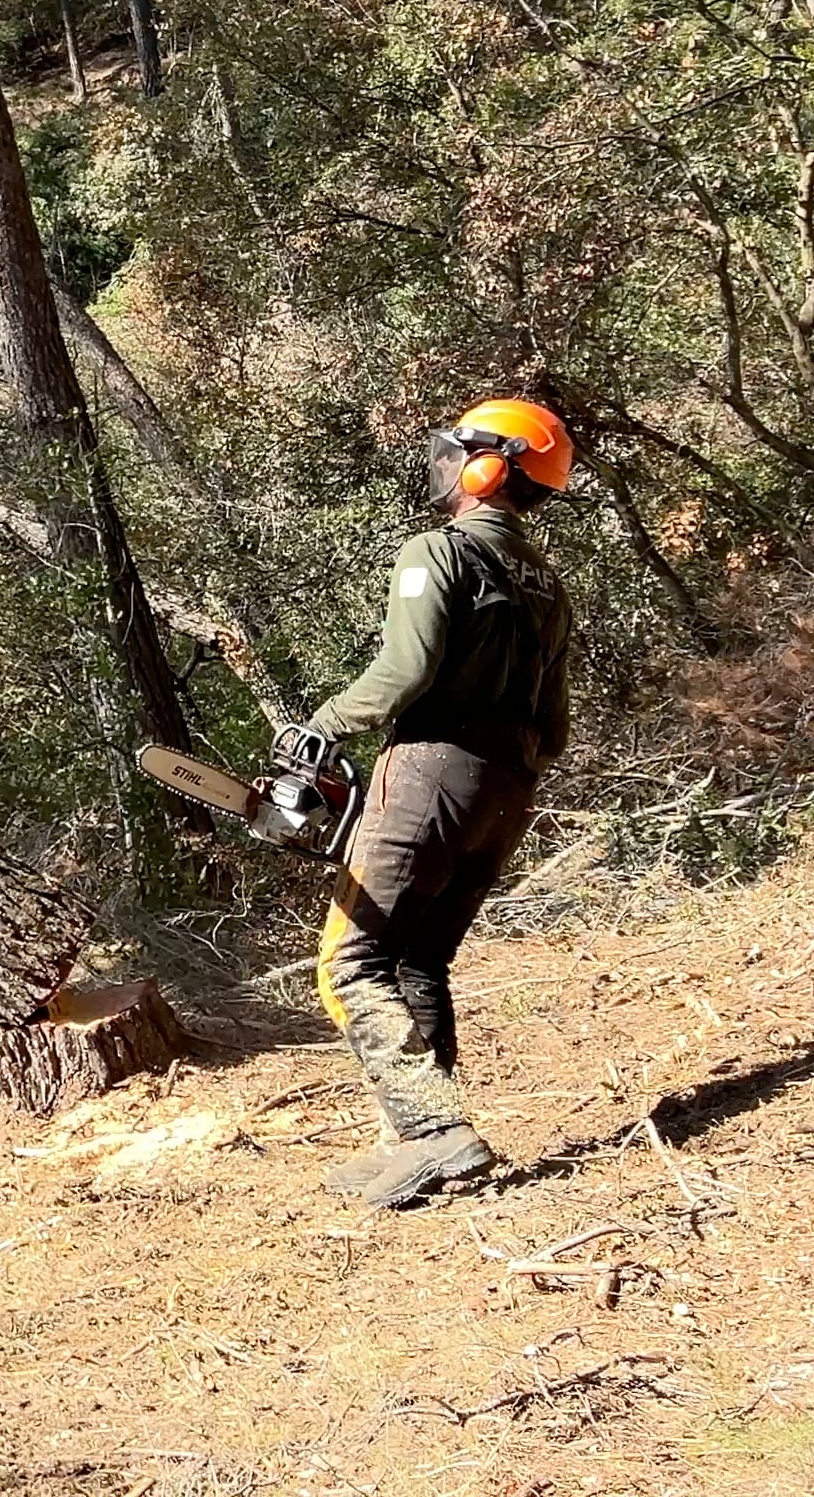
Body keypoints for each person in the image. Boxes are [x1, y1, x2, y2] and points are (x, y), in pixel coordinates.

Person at [279, 398, 579, 1210]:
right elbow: (551, 728)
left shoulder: (437, 553)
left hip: (432, 771)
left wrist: (323, 725)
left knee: (349, 965)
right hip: (509, 788)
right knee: (416, 960)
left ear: (487, 469)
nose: (440, 464)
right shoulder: (549, 586)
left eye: (455, 453)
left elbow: (404, 673)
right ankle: (412, 1142)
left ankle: (432, 1128)